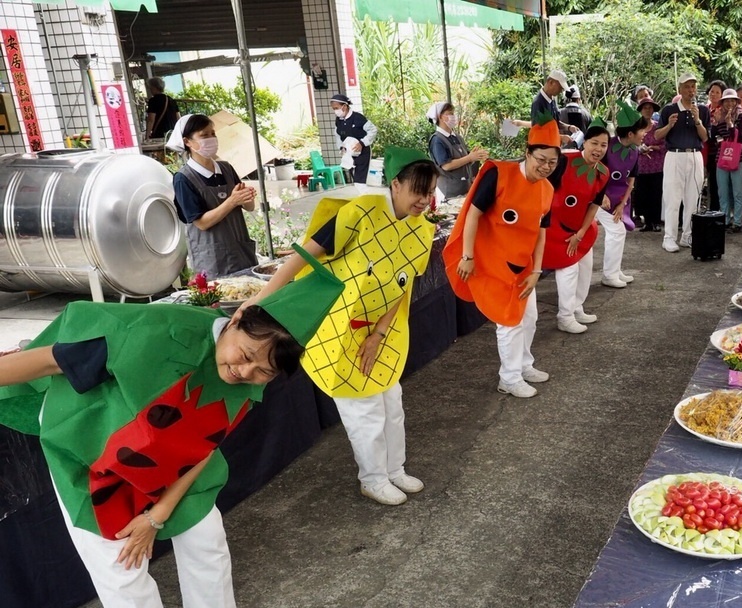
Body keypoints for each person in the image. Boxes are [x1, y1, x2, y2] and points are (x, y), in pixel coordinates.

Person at [0, 266, 343, 608]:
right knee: (120, 560)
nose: (243, 372)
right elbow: (50, 359)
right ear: (236, 319)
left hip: (171, 451)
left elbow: (205, 444)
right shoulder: (145, 333)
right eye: (244, 356)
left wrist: (157, 516)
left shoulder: (248, 377)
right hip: (90, 442)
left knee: (206, 535)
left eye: (262, 372)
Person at [243, 147, 440, 506]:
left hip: (385, 328)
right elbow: (307, 254)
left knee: (392, 403)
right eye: (418, 190)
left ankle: (395, 469)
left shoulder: (422, 230)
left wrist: (379, 334)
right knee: (364, 410)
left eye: (430, 192)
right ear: (395, 184)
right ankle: (373, 477)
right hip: (341, 328)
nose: (424, 200)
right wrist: (260, 299)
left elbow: (403, 282)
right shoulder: (359, 212)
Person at [445, 118, 559, 399]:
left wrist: (537, 270)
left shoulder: (547, 189)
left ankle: (523, 364)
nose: (545, 167)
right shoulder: (500, 173)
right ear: (527, 152)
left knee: (529, 317)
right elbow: (473, 214)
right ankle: (508, 378)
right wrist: (467, 255)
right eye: (541, 159)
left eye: (552, 163)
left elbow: (542, 233)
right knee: (509, 322)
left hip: (524, 265)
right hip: (493, 260)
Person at [168, 114, 257, 277]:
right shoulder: (183, 179)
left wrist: (247, 198)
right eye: (204, 135)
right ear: (187, 141)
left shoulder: (226, 168)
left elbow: (248, 207)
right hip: (212, 261)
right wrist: (232, 201)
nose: (211, 139)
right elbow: (201, 223)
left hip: (241, 253)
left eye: (212, 134)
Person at [541, 124, 609, 332]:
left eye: (604, 145)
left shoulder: (602, 172)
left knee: (585, 265)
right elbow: (542, 187)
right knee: (568, 268)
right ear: (584, 143)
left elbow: (594, 205)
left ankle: (577, 306)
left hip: (580, 227)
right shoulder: (564, 160)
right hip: (554, 227)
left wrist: (580, 233)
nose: (598, 149)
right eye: (594, 143)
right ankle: (565, 316)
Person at [656, 73, 710, 253]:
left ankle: (687, 235)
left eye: (693, 86)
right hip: (674, 155)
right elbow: (657, 135)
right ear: (680, 89)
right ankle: (669, 237)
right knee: (672, 198)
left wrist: (697, 120)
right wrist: (669, 125)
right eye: (687, 86)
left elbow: (705, 136)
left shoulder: (702, 110)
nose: (691, 90)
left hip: (694, 155)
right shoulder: (668, 110)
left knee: (693, 198)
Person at [598, 102, 648, 287]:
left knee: (619, 232)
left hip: (618, 199)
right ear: (630, 134)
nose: (645, 135)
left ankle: (614, 270)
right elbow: (595, 172)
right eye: (642, 131)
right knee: (616, 231)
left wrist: (622, 204)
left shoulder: (635, 152)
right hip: (599, 198)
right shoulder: (606, 147)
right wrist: (600, 196)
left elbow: (631, 181)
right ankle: (609, 275)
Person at [426, 101, 487, 199]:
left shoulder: (457, 137)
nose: (453, 116)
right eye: (450, 114)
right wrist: (469, 157)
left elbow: (465, 160)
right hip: (449, 192)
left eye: (453, 113)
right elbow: (446, 165)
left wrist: (475, 156)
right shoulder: (437, 140)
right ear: (440, 117)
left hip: (464, 189)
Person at [711, 88, 742, 232]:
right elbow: (714, 136)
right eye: (726, 100)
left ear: (736, 102)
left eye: (732, 100)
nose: (729, 103)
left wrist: (731, 124)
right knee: (722, 190)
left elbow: (741, 138)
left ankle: (737, 222)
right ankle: (725, 219)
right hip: (722, 157)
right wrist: (717, 123)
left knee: (737, 191)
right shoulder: (719, 115)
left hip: (738, 158)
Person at [330, 93, 378, 184]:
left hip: (362, 153)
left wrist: (362, 143)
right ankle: (361, 196)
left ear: (344, 106)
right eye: (334, 109)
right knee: (355, 178)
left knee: (361, 178)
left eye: (336, 108)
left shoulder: (358, 118)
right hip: (349, 153)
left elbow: (373, 130)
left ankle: (364, 195)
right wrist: (341, 147)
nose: (335, 111)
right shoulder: (338, 120)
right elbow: (337, 134)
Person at [634, 98, 665, 232]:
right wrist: (639, 148)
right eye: (645, 108)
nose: (647, 110)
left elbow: (666, 144)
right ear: (640, 110)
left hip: (656, 165)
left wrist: (653, 147)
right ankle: (647, 221)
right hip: (641, 166)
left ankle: (656, 221)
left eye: (650, 108)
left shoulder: (658, 126)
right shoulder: (635, 127)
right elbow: (630, 143)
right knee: (642, 194)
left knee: (656, 194)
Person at [532, 69, 577, 148]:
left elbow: (555, 122)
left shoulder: (552, 100)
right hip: (543, 149)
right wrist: (561, 137)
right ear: (550, 82)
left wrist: (569, 127)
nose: (561, 91)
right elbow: (539, 132)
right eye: (560, 87)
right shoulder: (538, 103)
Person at [704, 80, 728, 212]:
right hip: (705, 151)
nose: (713, 94)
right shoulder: (705, 109)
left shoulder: (723, 111)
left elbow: (720, 134)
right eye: (712, 91)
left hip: (718, 152)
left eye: (717, 92)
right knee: (710, 184)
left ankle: (716, 211)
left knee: (716, 184)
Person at [143, 77, 179, 141]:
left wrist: (147, 136)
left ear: (154, 87)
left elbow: (151, 120)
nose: (150, 90)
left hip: (159, 134)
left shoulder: (153, 101)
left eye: (150, 88)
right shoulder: (171, 100)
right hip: (172, 134)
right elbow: (178, 118)